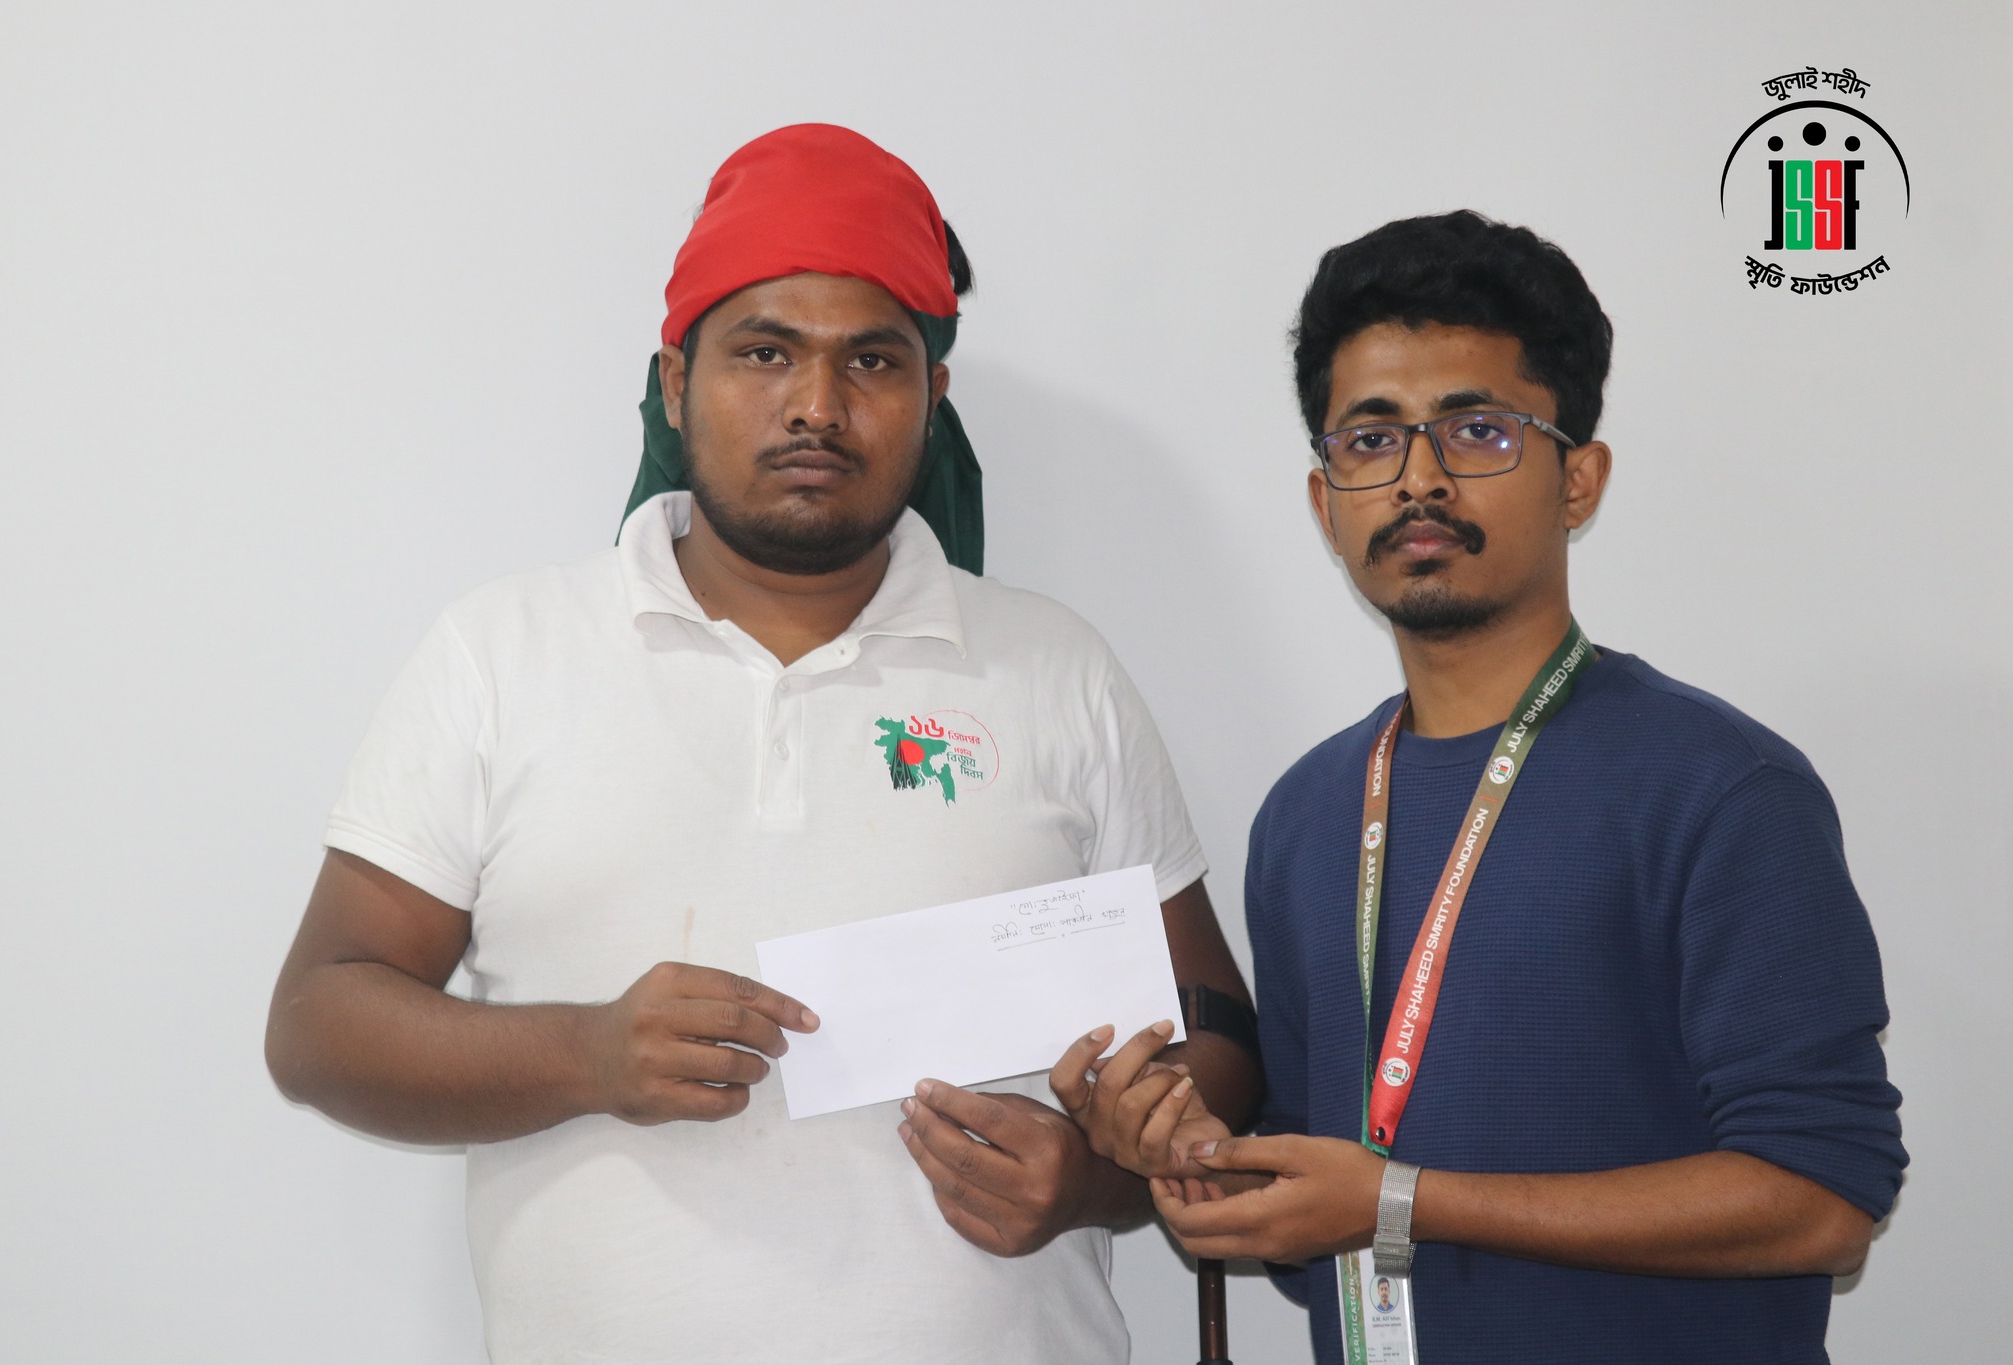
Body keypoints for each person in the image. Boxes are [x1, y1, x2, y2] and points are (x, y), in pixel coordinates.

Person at [263, 124, 1259, 1365]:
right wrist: (584, 1053)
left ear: (932, 398)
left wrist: (1094, 1182)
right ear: (676, 380)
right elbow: (318, 1022)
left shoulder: (1056, 668)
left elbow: (1218, 1038)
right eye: (764, 352)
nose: (816, 407)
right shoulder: (502, 653)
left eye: (872, 361)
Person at [1125, 211, 1906, 1364]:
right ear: (1324, 502)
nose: (1419, 479)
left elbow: (1822, 1197)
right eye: (1370, 440)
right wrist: (1197, 1162)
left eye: (1477, 431)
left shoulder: (1717, 788)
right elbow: (1321, 1206)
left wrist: (1400, 1200)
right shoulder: (1305, 815)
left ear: (1577, 480)